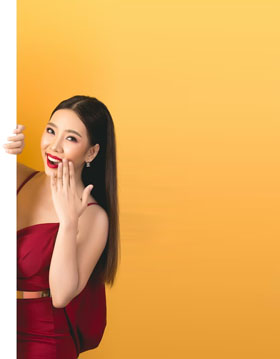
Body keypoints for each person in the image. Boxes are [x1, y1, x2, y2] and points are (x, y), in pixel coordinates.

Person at [3, 95, 120, 359]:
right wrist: (3, 150)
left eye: (70, 138)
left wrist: (68, 224)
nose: (53, 147)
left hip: (42, 341)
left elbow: (61, 295)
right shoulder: (18, 177)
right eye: (50, 131)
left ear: (91, 152)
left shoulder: (94, 217)